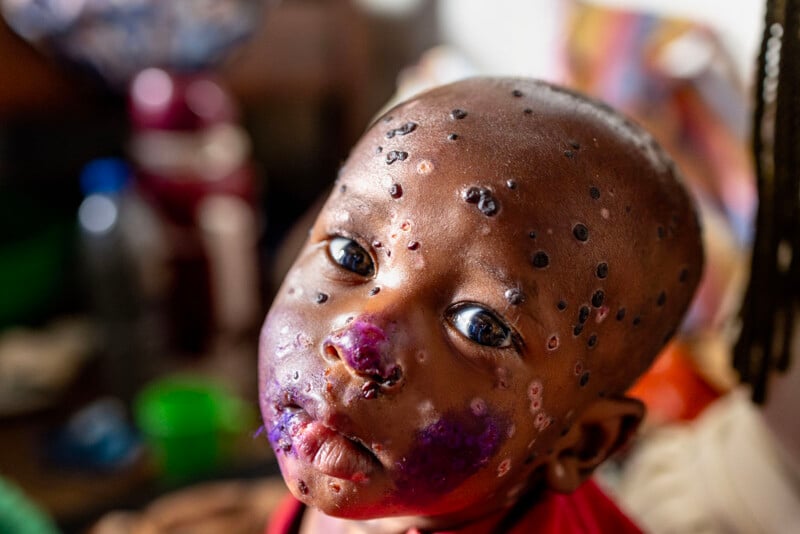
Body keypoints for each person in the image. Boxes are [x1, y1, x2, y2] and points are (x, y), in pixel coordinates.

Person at [257, 76, 704, 533]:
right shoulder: (363, 455)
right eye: (350, 254)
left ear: (577, 443)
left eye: (480, 325)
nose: (356, 346)